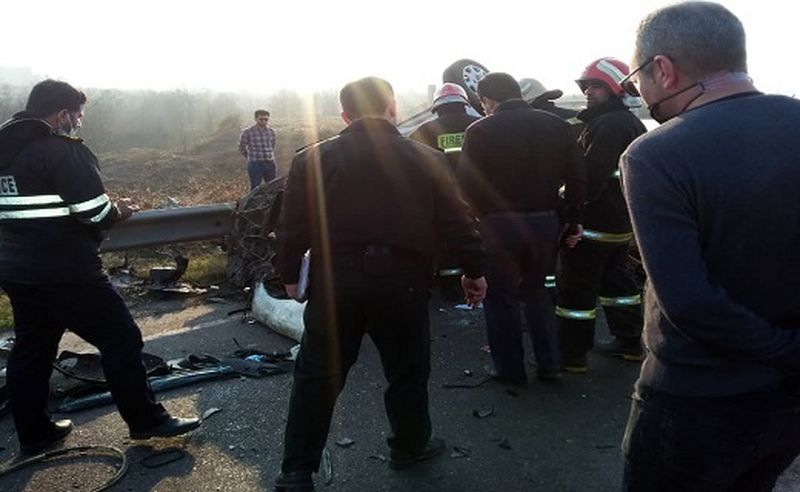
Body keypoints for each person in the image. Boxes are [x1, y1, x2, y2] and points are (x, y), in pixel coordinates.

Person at [619, 2, 800, 490]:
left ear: (663, 68)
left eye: (636, 76)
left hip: (697, 403)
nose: (639, 91)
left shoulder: (656, 154)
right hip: (788, 404)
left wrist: (784, 350)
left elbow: (689, 302)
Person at [274, 76, 487, 491]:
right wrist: (474, 270)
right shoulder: (426, 158)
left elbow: (291, 228)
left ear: (345, 115)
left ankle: (297, 471)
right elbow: (457, 222)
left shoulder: (311, 160)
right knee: (407, 371)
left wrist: (287, 277)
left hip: (335, 285)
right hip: (403, 283)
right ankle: (409, 447)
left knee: (317, 377)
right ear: (392, 108)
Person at [0, 80, 200, 454]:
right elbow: (94, 212)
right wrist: (119, 210)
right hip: (66, 270)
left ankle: (34, 432)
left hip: (15, 268)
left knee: (33, 347)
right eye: (77, 116)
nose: (78, 123)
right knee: (121, 338)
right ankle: (146, 420)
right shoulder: (61, 150)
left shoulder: (5, 148)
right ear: (61, 115)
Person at [457, 72, 586, 384]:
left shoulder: (479, 130)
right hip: (545, 223)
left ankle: (510, 370)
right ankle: (550, 363)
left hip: (498, 225)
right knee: (537, 291)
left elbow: (465, 186)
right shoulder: (556, 126)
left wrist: (479, 219)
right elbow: (578, 176)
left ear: (488, 100)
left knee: (501, 297)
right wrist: (574, 219)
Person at [554, 57, 647, 373]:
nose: (588, 92)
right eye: (586, 86)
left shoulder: (606, 125)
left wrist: (567, 207)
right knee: (618, 285)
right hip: (619, 224)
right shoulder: (629, 122)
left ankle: (572, 355)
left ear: (615, 89)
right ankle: (630, 342)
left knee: (575, 289)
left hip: (593, 225)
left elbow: (590, 179)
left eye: (596, 86)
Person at [409, 83, 482, 300]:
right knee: (475, 237)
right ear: (463, 103)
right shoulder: (479, 125)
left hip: (441, 196)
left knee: (445, 242)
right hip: (477, 196)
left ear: (437, 107)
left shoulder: (423, 131)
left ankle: (451, 289)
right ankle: (479, 276)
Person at [238, 109, 277, 190]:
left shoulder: (271, 132)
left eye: (266, 119)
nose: (264, 121)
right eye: (261, 119)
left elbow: (272, 145)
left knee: (272, 187)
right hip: (255, 164)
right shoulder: (247, 132)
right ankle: (253, 203)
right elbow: (242, 147)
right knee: (255, 188)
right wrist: (250, 157)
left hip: (270, 163)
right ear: (256, 119)